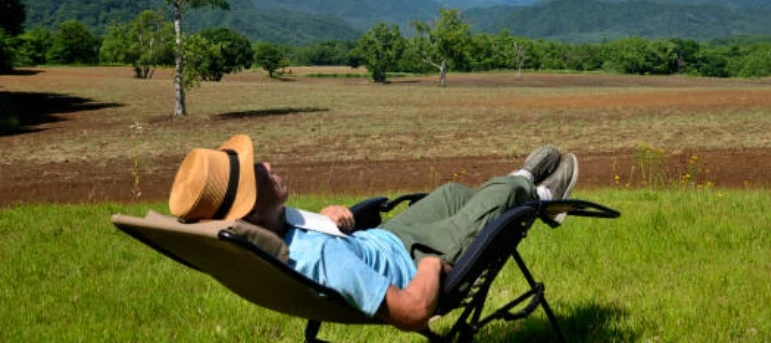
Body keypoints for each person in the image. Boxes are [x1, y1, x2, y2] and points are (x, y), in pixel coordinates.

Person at [167, 135, 578, 332]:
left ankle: (520, 188)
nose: (269, 164)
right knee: (502, 196)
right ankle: (536, 192)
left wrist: (331, 221)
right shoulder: (321, 258)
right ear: (251, 207)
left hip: (386, 238)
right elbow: (412, 312)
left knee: (453, 193)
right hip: (416, 260)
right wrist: (433, 265)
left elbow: (320, 241)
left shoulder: (272, 229)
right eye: (260, 170)